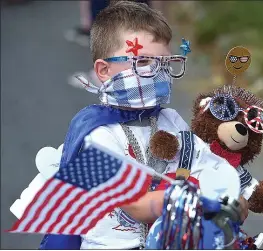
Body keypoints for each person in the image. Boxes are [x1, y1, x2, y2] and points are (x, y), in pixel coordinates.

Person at [39, 1, 249, 249]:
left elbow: (207, 166)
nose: (159, 73)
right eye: (143, 62)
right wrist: (196, 200)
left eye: (164, 63)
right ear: (104, 70)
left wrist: (234, 197)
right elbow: (136, 205)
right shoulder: (97, 135)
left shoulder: (170, 121)